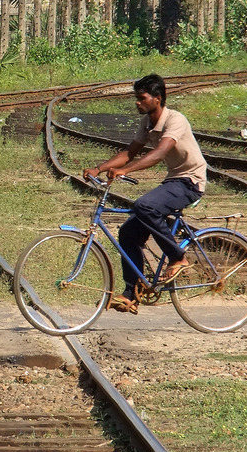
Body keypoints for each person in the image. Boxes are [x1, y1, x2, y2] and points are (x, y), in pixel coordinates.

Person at [83, 74, 207, 314]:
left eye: (142, 98)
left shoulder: (175, 120)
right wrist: (99, 169)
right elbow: (129, 152)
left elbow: (160, 153)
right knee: (128, 233)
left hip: (191, 181)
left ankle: (178, 256)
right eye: (136, 98)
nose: (137, 103)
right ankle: (132, 292)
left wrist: (123, 171)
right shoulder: (147, 123)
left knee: (145, 206)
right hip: (173, 180)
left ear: (157, 99)